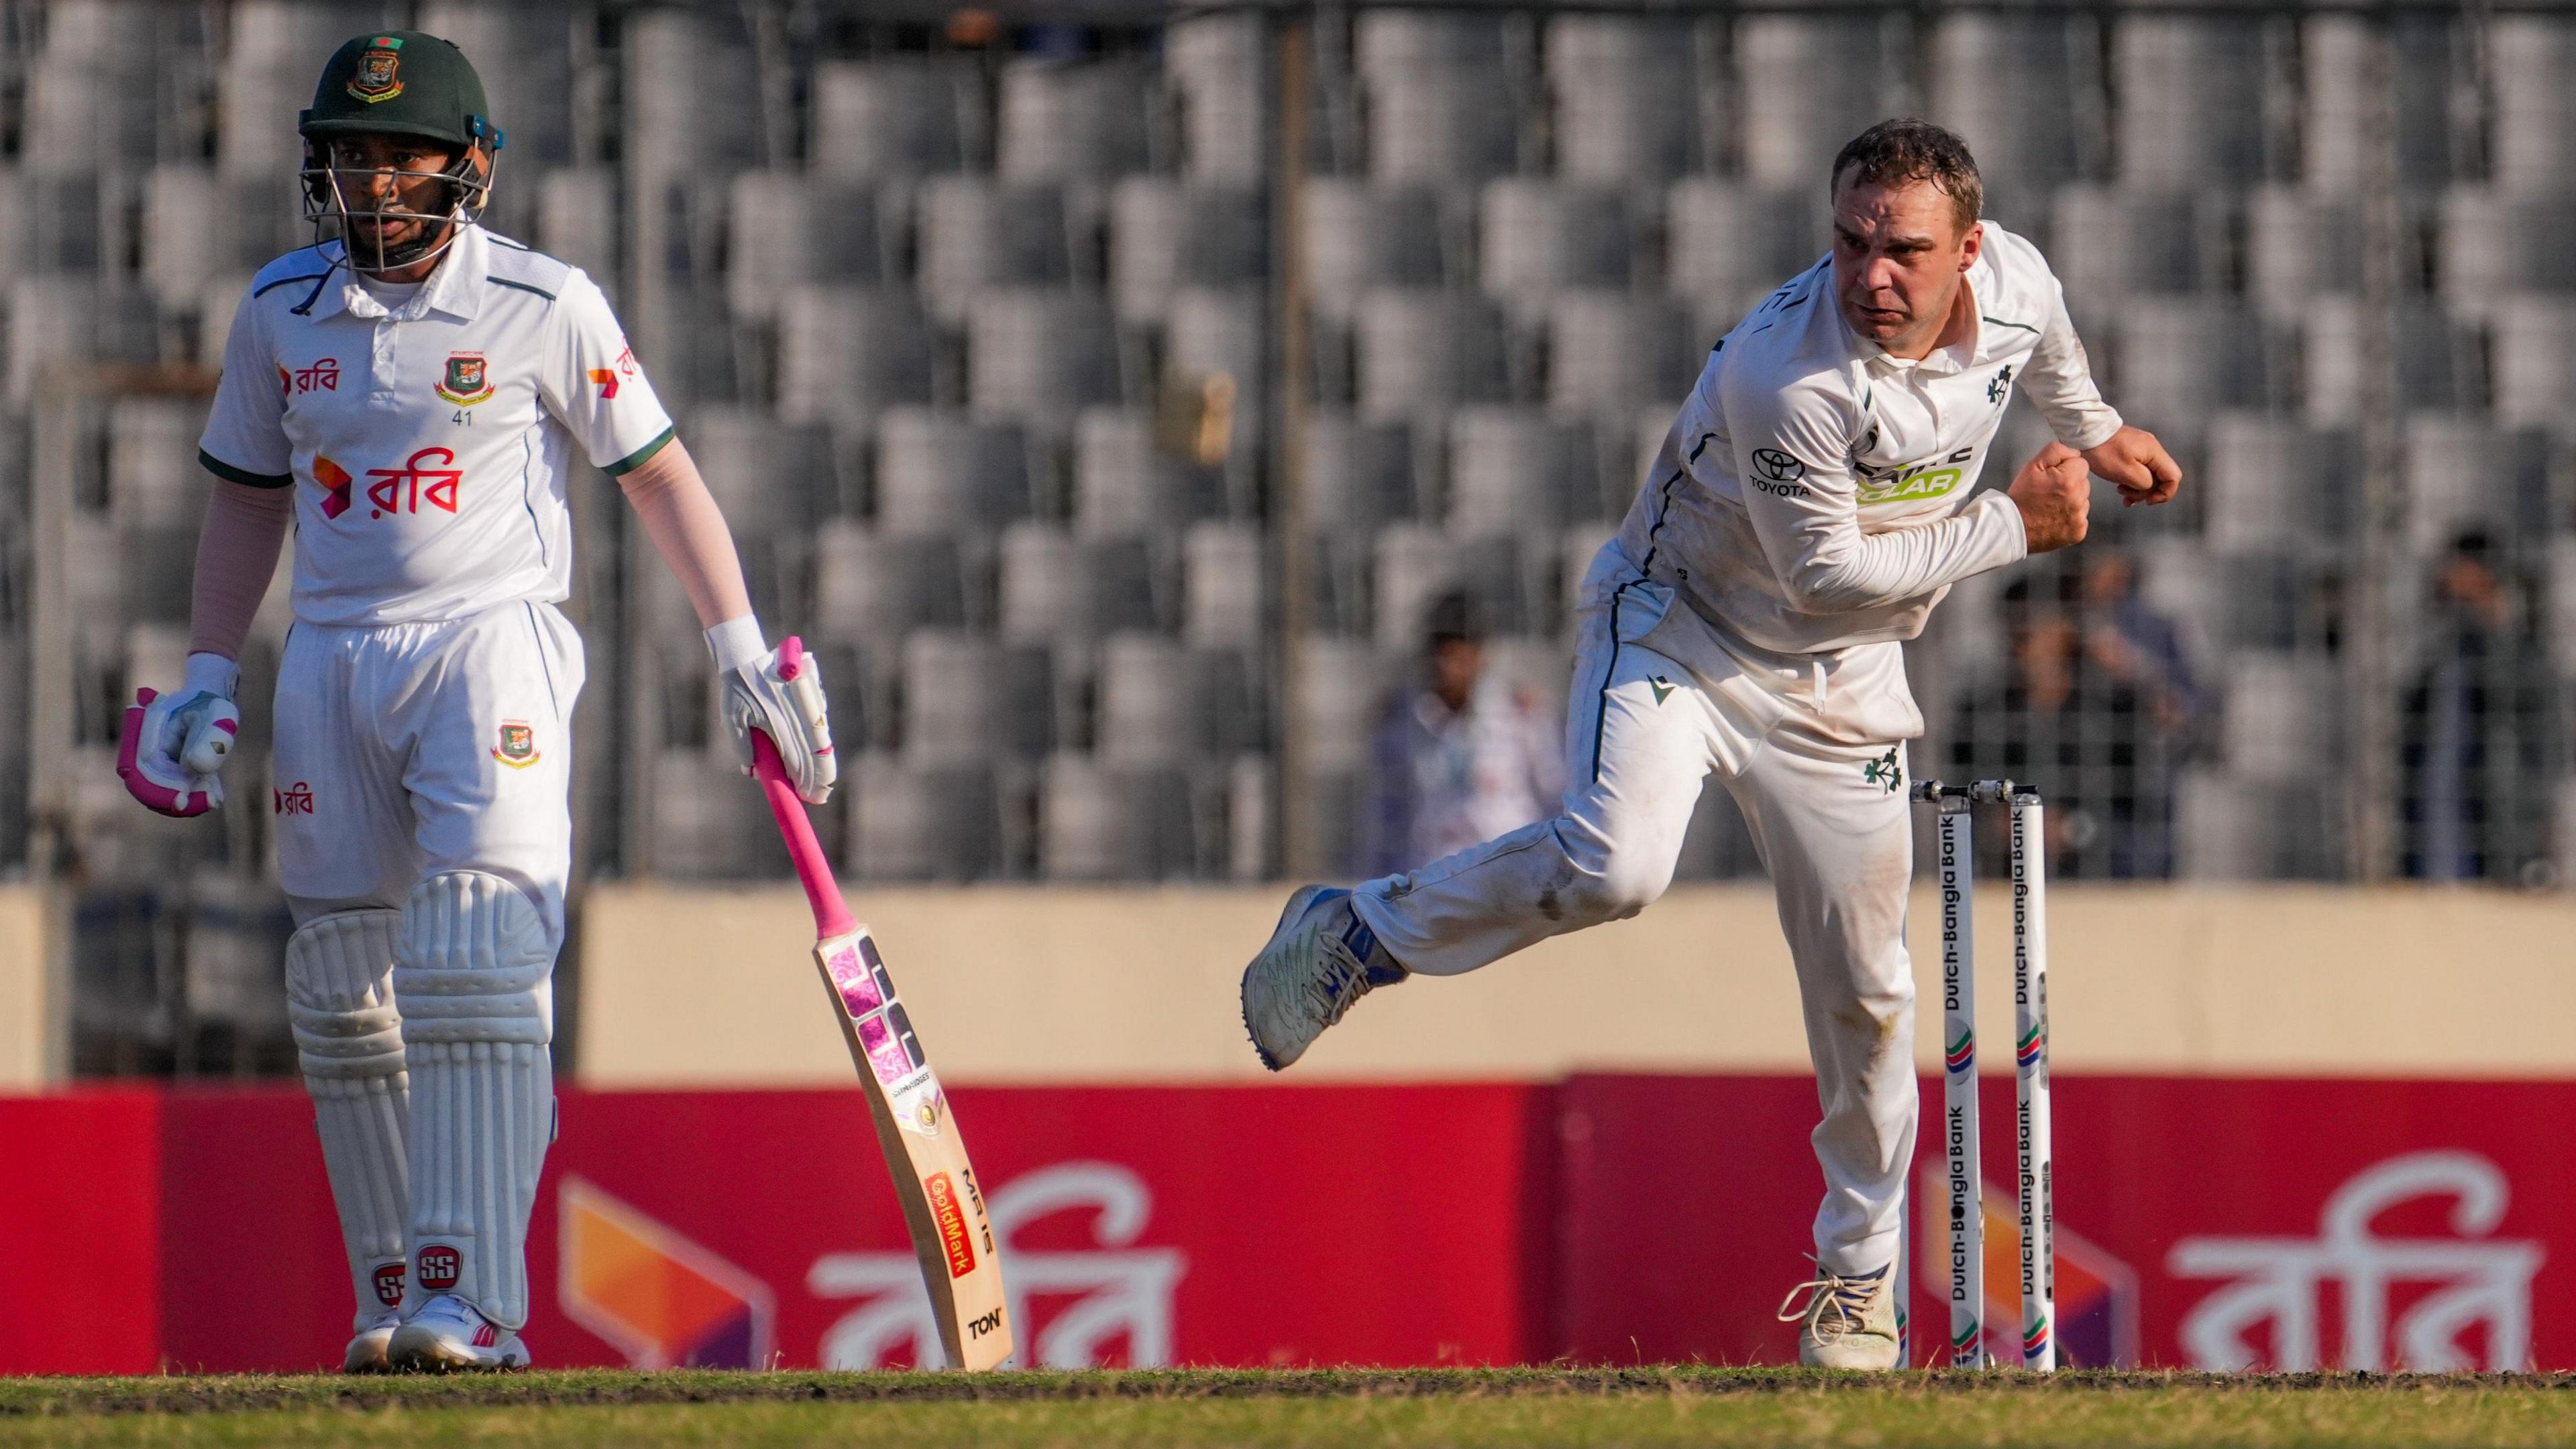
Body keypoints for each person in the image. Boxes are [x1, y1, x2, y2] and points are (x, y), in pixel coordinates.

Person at [1240, 119, 2181, 1369]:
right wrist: (2016, 526)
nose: (1871, 277)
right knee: (1616, 868)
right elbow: (1831, 575)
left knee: (1870, 993)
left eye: (1902, 250)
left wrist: (2098, 425)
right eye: (1850, 244)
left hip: (1839, 684)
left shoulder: (2019, 283)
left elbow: (2044, 356)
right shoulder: (1783, 375)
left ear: (1970, 248)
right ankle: (1360, 929)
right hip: (1681, 627)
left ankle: (1858, 1288)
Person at [115, 32, 835, 1373]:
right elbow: (242, 501)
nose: (376, 185)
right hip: (332, 654)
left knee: (474, 953)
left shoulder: (543, 301)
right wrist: (211, 669)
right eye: (350, 155)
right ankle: (394, 1295)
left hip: (488, 642)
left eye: (403, 158)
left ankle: (472, 1297)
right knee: (341, 986)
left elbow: (659, 477)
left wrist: (739, 648)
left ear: (471, 167)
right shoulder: (280, 309)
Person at [1358, 592, 1563, 877]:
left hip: (1506, 875)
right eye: (1442, 655)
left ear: (1479, 655)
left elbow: (1555, 795)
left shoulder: (1521, 714)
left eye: (1459, 655)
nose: (1448, 668)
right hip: (1428, 876)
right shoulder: (1402, 718)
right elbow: (1385, 814)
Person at [2402, 530, 2558, 882]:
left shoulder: (2523, 658)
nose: (2452, 582)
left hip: (2502, 834)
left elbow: (2542, 747)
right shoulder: (2438, 662)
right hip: (2437, 844)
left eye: (2462, 572)